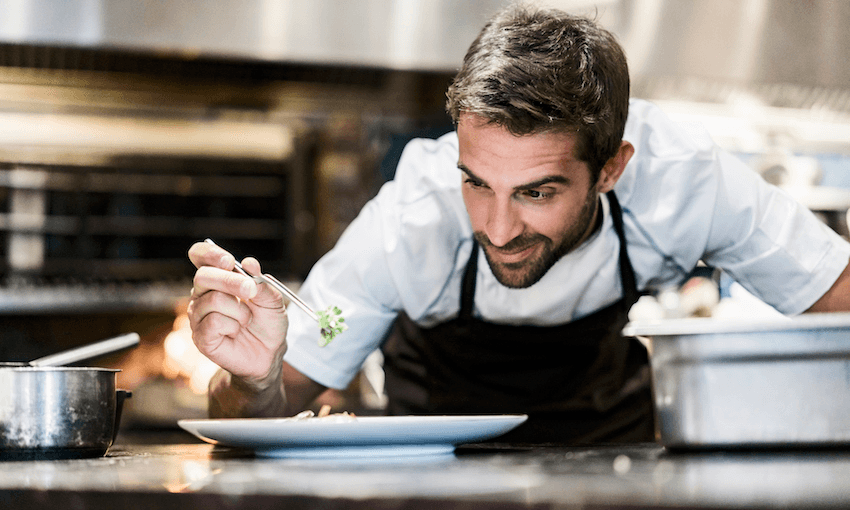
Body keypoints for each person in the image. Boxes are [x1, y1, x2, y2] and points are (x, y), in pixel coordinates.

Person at [187, 4, 850, 444]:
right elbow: (257, 417)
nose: (499, 227)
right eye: (477, 181)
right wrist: (252, 378)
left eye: (538, 191)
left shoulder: (687, 178)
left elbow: (837, 296)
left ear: (612, 168)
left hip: (612, 464)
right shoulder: (410, 217)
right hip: (435, 472)